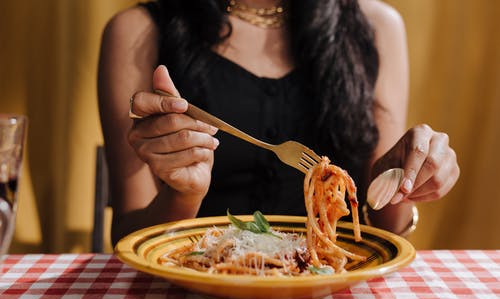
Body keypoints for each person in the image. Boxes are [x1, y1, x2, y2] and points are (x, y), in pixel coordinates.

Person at [98, 0, 459, 247]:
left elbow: (385, 227)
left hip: (331, 293)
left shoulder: (377, 27)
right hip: (195, 292)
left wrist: (405, 179)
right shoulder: (137, 32)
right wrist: (184, 195)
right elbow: (129, 238)